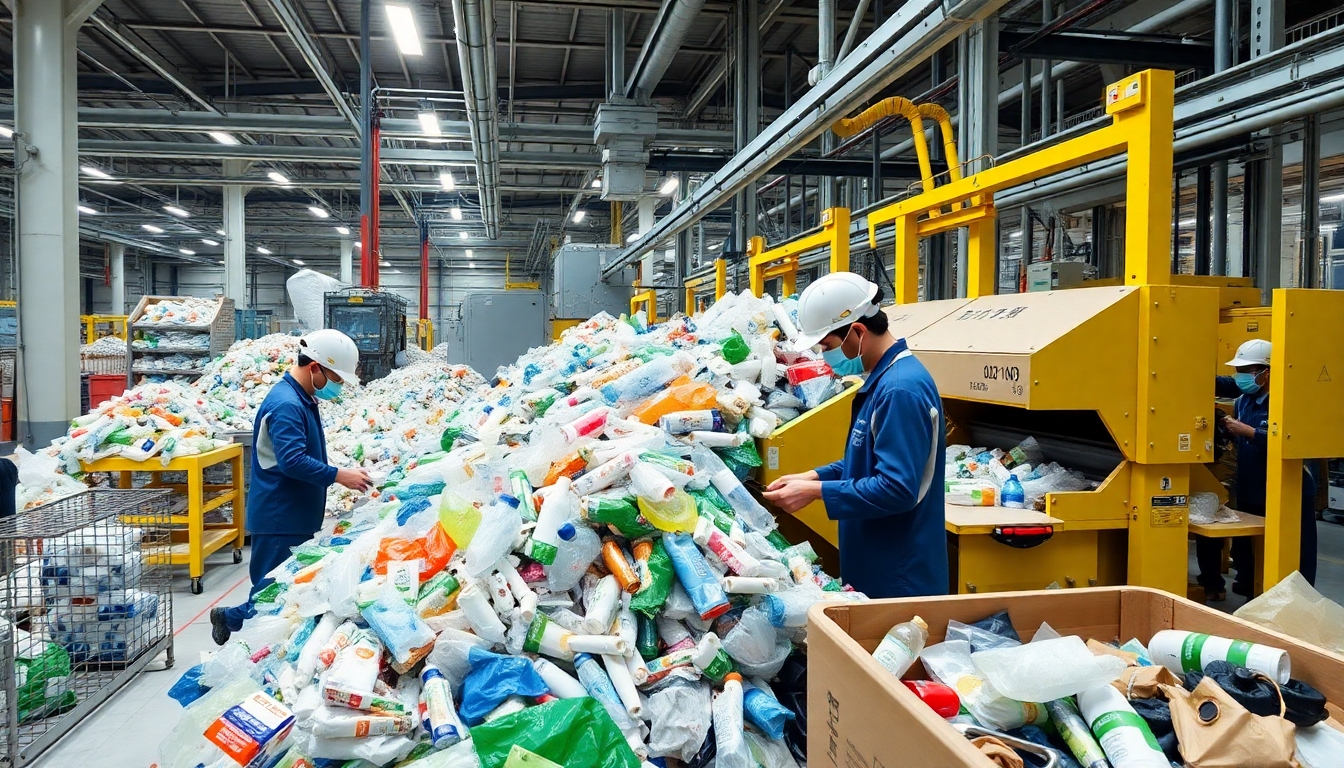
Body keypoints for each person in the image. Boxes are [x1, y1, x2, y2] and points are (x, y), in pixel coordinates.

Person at [762, 273, 948, 598]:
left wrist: (818, 490)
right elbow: (866, 462)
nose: (825, 357)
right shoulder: (882, 381)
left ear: (858, 331)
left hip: (898, 577)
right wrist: (812, 478)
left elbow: (896, 488)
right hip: (876, 564)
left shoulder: (900, 390)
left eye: (828, 346)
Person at [211, 329, 373, 645]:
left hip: (292, 514)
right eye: (336, 378)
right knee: (273, 595)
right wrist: (340, 475)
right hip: (278, 515)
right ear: (315, 367)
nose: (338, 387)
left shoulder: (301, 398)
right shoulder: (287, 404)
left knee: (282, 591)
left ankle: (232, 620)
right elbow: (292, 461)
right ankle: (244, 639)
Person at [1195, 339, 1318, 601]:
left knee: (1295, 550)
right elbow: (1224, 384)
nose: (1241, 377)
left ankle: (1299, 602)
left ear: (1268, 371)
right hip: (1251, 486)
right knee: (1247, 549)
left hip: (1288, 490)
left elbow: (1292, 441)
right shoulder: (1244, 400)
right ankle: (1253, 589)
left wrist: (1249, 432)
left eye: (1247, 370)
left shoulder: (1287, 401)